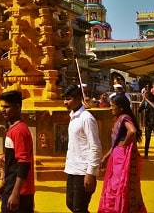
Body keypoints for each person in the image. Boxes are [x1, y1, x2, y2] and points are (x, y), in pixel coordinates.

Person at [98, 93, 147, 213]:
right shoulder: (120, 119)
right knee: (116, 185)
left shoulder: (124, 118)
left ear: (121, 108)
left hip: (122, 157)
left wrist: (124, 144)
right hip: (117, 155)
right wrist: (106, 156)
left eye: (113, 106)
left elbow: (132, 131)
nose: (110, 108)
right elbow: (116, 143)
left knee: (119, 185)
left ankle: (119, 209)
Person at [62, 85, 102, 213]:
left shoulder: (87, 118)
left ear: (79, 99)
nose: (65, 102)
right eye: (64, 99)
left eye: (68, 99)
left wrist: (90, 172)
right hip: (72, 169)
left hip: (83, 171)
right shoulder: (73, 116)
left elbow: (95, 146)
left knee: (79, 208)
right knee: (70, 203)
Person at [0, 90, 34, 213]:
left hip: (19, 191)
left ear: (17, 107)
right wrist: (4, 182)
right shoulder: (13, 129)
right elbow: (13, 162)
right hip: (11, 186)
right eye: (2, 106)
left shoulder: (19, 131)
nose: (3, 110)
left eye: (6, 107)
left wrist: (15, 193)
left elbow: (23, 163)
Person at [138, 91, 154, 161]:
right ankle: (146, 154)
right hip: (148, 123)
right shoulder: (145, 103)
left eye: (146, 96)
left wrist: (147, 100)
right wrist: (143, 100)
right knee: (147, 138)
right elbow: (139, 109)